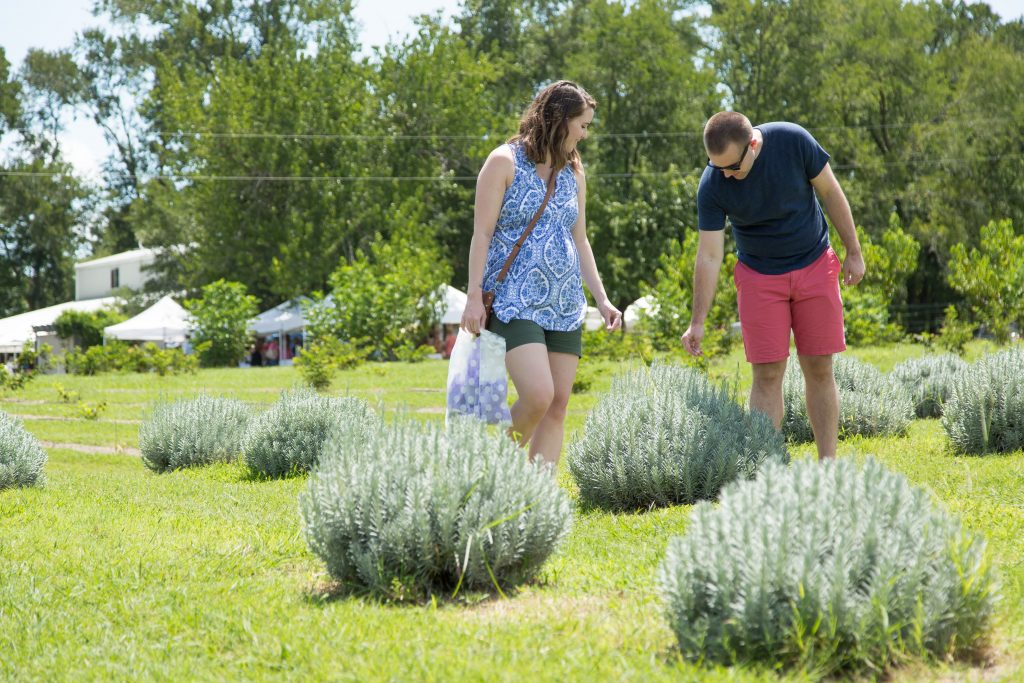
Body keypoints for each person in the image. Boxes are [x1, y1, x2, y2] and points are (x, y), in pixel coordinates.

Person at [680, 112, 866, 460]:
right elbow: (708, 255)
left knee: (819, 367)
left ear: (753, 144)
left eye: (732, 166)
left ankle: (828, 465)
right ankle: (767, 467)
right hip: (759, 277)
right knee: (766, 374)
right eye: (716, 166)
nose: (726, 175)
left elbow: (830, 191)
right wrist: (698, 321)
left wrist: (853, 252)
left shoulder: (793, 140)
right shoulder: (713, 183)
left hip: (814, 264)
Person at [461, 80, 622, 467]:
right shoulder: (503, 161)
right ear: (559, 119)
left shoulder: (574, 172)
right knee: (538, 395)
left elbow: (580, 240)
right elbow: (481, 233)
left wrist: (601, 299)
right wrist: (471, 296)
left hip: (565, 302)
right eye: (582, 125)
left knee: (558, 404)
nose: (585, 134)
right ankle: (485, 468)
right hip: (515, 300)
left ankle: (538, 498)